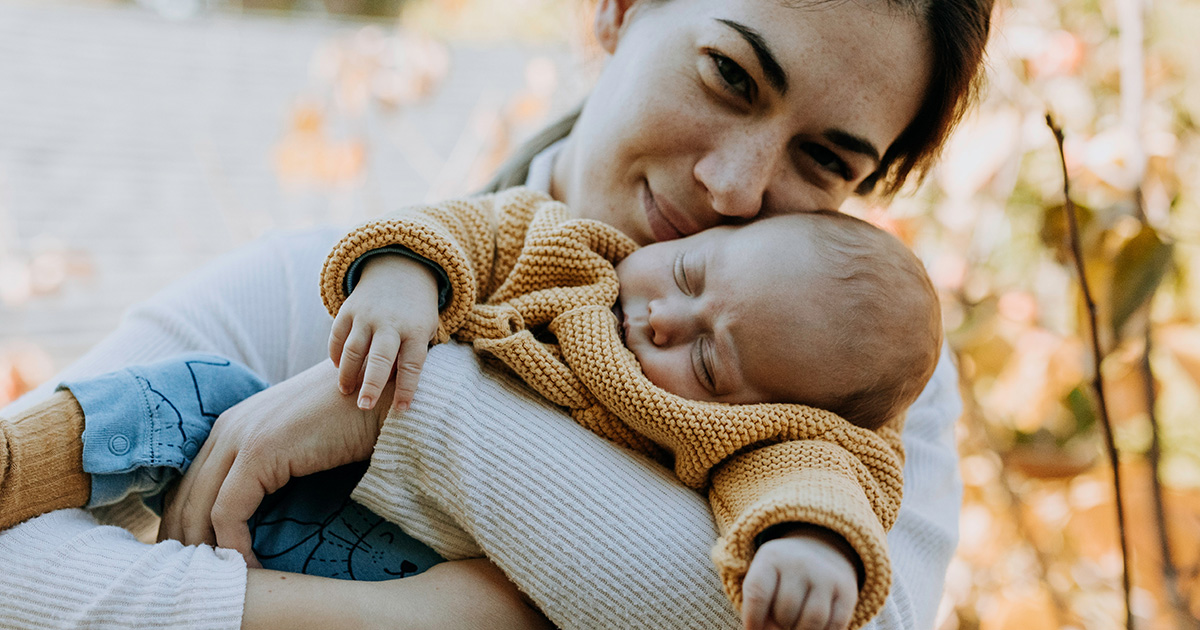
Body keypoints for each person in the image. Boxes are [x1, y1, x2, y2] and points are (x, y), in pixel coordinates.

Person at [0, 0, 992, 628]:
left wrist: (416, 411)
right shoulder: (353, 284)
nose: (735, 186)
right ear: (617, 9)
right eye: (728, 74)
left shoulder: (858, 389)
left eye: (825, 160)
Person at [1, 188, 940, 629]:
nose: (662, 316)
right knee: (198, 394)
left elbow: (808, 478)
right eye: (693, 275)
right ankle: (21, 461)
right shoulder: (572, 250)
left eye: (710, 355)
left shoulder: (748, 438)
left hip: (390, 563)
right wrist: (406, 283)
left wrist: (809, 546)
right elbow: (468, 231)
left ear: (766, 406)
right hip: (309, 489)